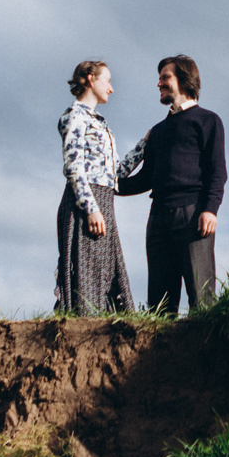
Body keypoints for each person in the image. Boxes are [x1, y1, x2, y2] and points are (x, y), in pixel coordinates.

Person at [115, 53, 226, 314]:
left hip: (193, 214)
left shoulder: (208, 120)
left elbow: (217, 171)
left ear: (183, 79)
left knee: (202, 297)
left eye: (165, 77)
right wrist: (106, 187)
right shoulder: (158, 131)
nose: (159, 83)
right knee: (159, 305)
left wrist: (210, 209)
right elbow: (145, 178)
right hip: (158, 219)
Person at [54, 59, 135, 315]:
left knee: (105, 275)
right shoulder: (74, 116)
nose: (111, 88)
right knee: (86, 278)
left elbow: (114, 174)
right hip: (85, 204)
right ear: (90, 78)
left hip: (103, 203)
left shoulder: (99, 122)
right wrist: (91, 209)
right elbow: (73, 167)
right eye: (107, 81)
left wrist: (144, 147)